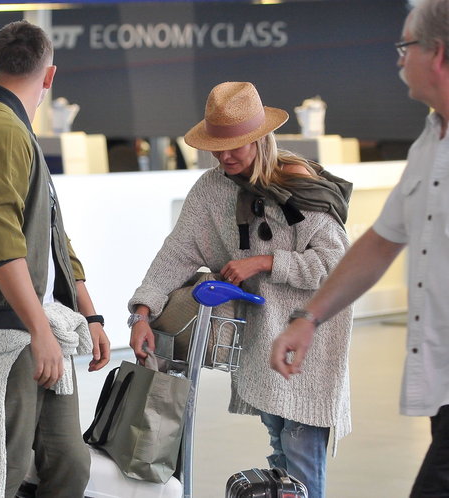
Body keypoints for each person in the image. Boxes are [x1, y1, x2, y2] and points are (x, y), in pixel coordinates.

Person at [128, 81, 354, 498]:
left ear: (259, 138)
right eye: (217, 145)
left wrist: (266, 261)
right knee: (281, 456)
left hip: (312, 345)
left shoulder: (298, 186)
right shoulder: (212, 191)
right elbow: (175, 255)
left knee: (301, 456)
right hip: (262, 344)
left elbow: (338, 267)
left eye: (234, 145)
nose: (224, 155)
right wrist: (143, 310)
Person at [271, 1, 449, 495]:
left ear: (436, 54)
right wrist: (309, 317)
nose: (398, 59)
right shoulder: (430, 143)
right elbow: (380, 241)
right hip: (441, 386)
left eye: (405, 47)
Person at [0, 20, 111, 498]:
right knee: (2, 470)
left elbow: (53, 234)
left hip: (35, 322)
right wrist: (38, 331)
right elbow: (2, 249)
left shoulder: (11, 128)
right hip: (4, 332)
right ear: (50, 76)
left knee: (68, 462)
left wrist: (88, 312)